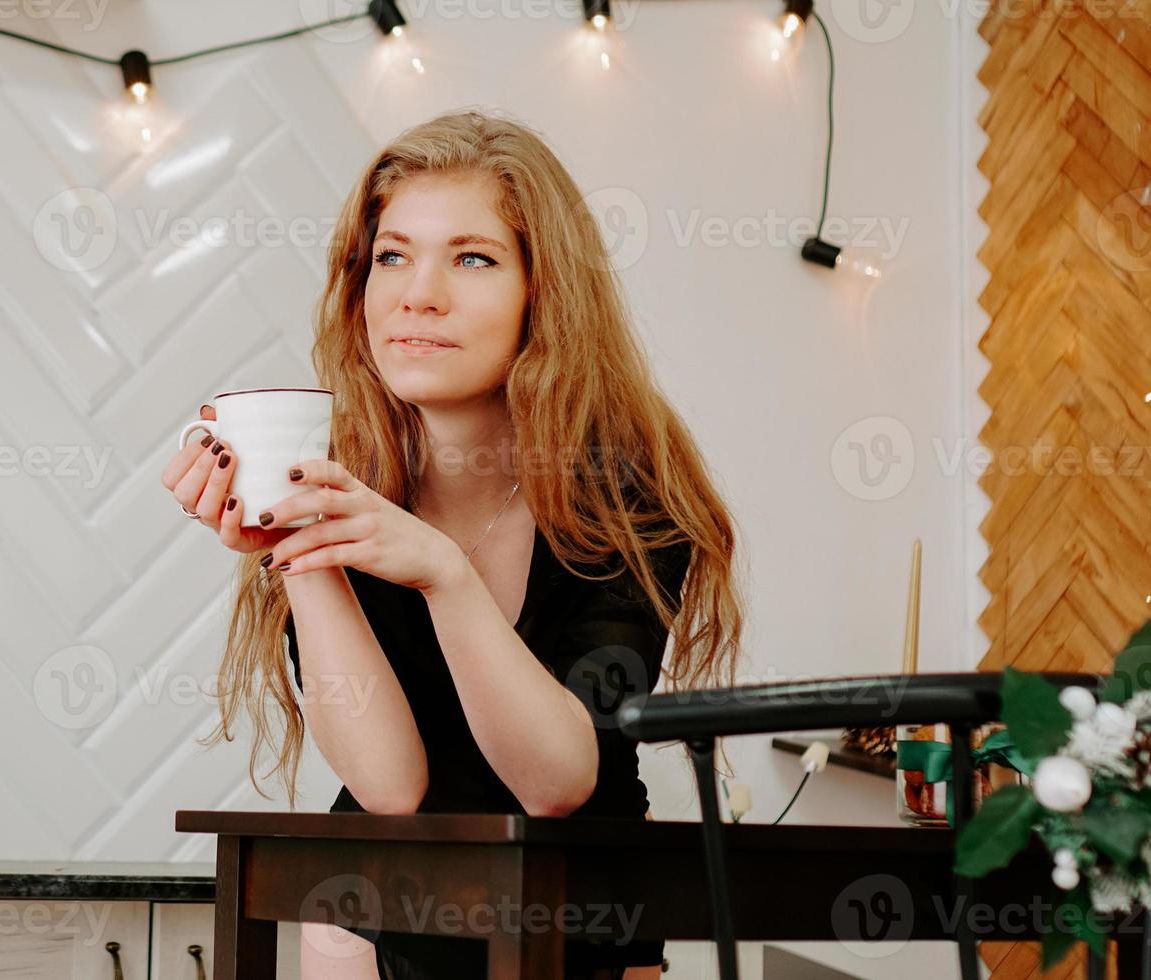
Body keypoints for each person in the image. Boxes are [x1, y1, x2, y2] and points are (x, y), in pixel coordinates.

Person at [160, 109, 745, 980]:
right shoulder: (343, 487)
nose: (416, 294)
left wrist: (445, 574)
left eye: (472, 258)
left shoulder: (627, 499)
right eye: (391, 256)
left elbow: (556, 782)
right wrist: (297, 548)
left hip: (572, 933)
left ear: (543, 293)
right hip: (368, 924)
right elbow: (389, 791)